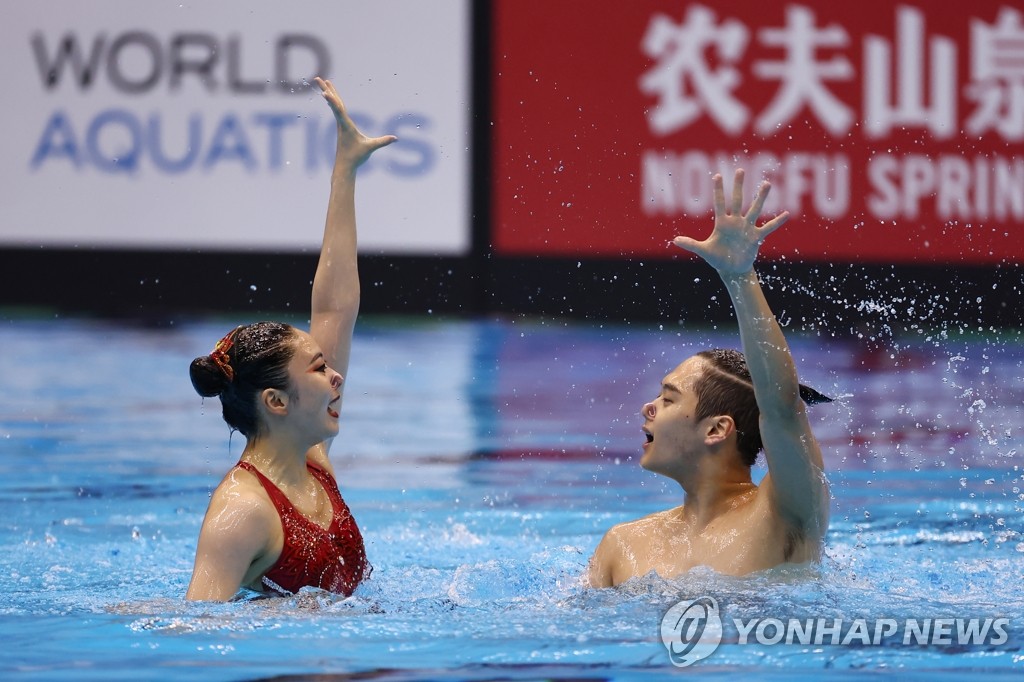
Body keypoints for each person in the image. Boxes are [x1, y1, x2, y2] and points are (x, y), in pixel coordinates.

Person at [185, 77, 396, 601]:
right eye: (319, 369)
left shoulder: (311, 459)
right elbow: (192, 632)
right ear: (276, 401)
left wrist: (345, 171)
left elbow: (335, 306)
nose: (337, 375)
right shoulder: (243, 511)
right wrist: (275, 619)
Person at [588, 169, 832, 587]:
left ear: (717, 429)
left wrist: (740, 278)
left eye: (668, 399)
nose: (648, 407)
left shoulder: (784, 514)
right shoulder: (622, 545)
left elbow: (782, 407)